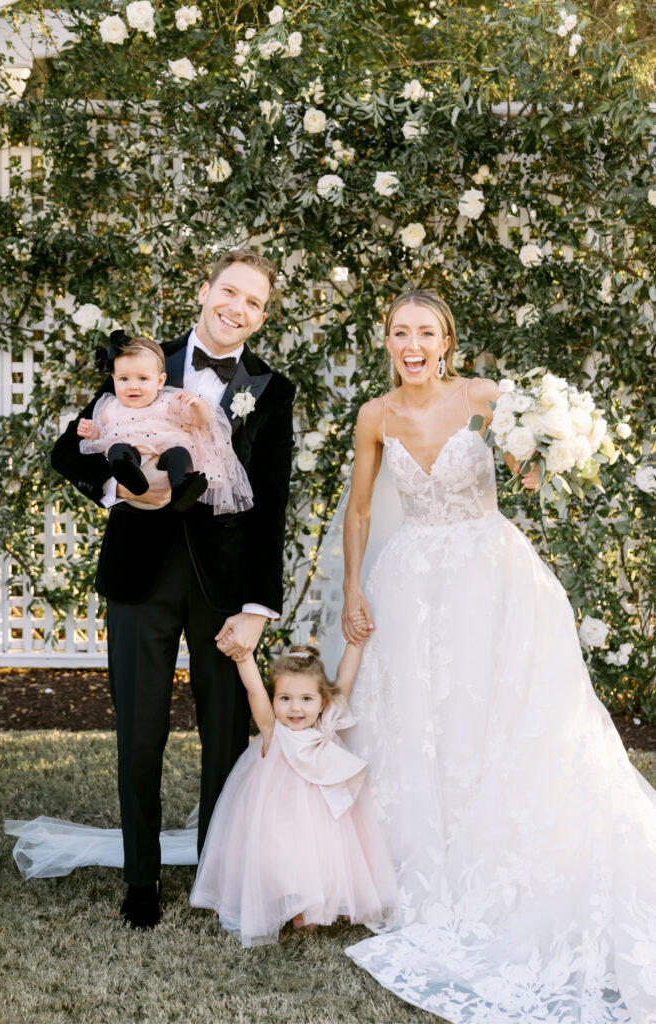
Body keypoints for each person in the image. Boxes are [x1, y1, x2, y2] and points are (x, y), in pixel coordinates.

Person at [337, 290, 656, 1022]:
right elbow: (358, 510)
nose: (411, 345)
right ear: (384, 341)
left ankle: (507, 868)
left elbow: (527, 468)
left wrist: (537, 459)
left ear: (447, 342)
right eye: (398, 333)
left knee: (500, 715)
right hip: (410, 583)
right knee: (419, 726)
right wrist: (354, 587)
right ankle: (418, 868)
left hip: (491, 577)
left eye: (425, 333)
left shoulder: (484, 397)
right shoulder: (375, 416)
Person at [51, 249, 295, 930]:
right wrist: (120, 488)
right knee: (139, 728)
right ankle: (140, 879)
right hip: (139, 574)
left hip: (223, 586)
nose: (235, 308)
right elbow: (76, 447)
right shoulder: (143, 358)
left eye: (252, 301)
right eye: (228, 292)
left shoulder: (271, 390)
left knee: (225, 735)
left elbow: (270, 501)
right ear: (204, 291)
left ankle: (218, 873)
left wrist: (257, 608)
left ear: (262, 315)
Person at [189, 641, 398, 947]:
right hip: (276, 807)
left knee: (320, 852)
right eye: (285, 698)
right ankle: (282, 902)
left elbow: (345, 679)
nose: (296, 708)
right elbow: (254, 691)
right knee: (277, 853)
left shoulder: (327, 722)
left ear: (323, 700)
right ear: (274, 698)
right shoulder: (272, 727)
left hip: (321, 812)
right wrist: (244, 658)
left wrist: (353, 644)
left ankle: (312, 906)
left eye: (306, 699)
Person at [77, 331, 253, 514]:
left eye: (143, 379)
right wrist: (93, 433)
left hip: (164, 460)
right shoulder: (109, 408)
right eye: (123, 379)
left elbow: (200, 421)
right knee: (117, 450)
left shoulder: (168, 402)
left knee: (180, 453)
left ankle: (182, 488)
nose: (133, 386)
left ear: (160, 381)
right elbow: (102, 437)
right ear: (113, 379)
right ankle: (130, 477)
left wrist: (197, 404)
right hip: (133, 471)